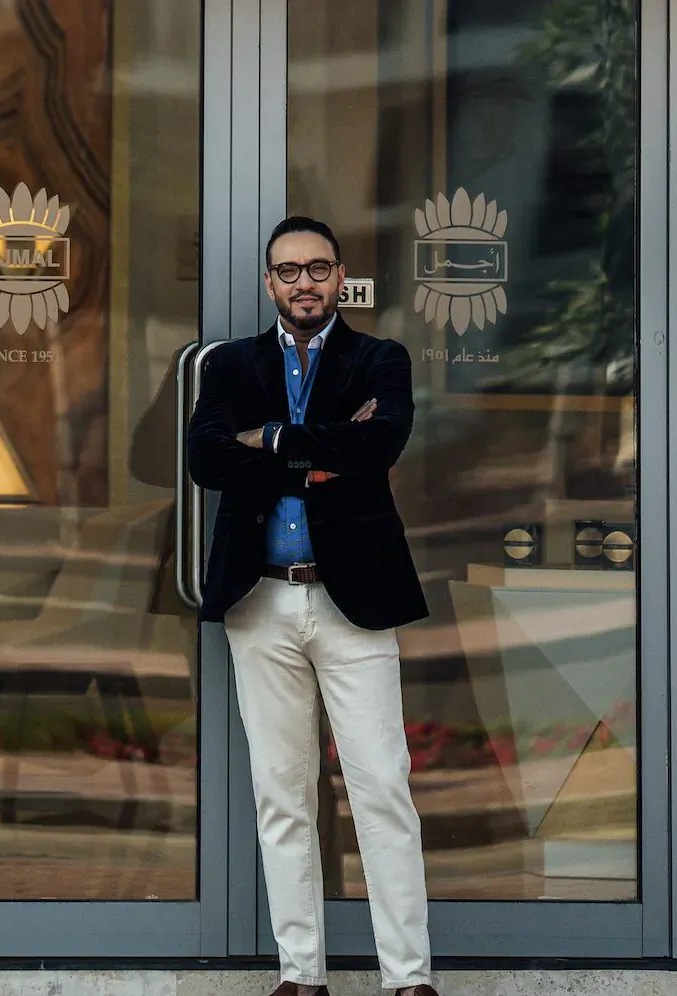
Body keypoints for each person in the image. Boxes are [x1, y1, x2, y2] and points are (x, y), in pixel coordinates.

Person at [186, 216, 438, 996]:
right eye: (288, 271)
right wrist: (320, 449)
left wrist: (269, 444)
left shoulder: (379, 359)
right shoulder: (229, 366)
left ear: (340, 277)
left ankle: (408, 978)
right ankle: (302, 974)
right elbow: (204, 459)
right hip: (258, 603)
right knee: (282, 794)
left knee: (382, 789)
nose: (304, 284)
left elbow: (380, 446)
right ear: (270, 282)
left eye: (318, 269)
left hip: (352, 603)